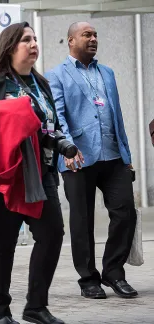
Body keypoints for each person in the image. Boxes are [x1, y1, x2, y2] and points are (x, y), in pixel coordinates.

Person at [0, 22, 65, 324]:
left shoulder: (41, 83)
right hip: (4, 174)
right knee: (2, 243)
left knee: (52, 234)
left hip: (40, 173)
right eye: (25, 39)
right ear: (10, 46)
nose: (33, 44)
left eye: (34, 39)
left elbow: (48, 124)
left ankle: (36, 307)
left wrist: (64, 146)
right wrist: (5, 116)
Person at [46, 22, 137, 299]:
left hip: (113, 156)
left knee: (125, 213)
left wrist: (127, 156)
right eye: (87, 35)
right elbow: (58, 116)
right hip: (78, 159)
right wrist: (69, 149)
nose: (93, 38)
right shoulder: (56, 76)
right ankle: (88, 280)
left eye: (95, 34)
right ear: (71, 40)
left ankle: (113, 272)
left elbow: (117, 115)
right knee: (82, 221)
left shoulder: (107, 72)